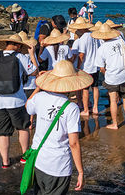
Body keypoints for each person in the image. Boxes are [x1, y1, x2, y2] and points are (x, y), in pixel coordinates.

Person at [26, 60, 91, 194]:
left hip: (39, 162)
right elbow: (73, 143)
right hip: (59, 166)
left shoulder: (40, 97)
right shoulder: (71, 108)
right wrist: (80, 171)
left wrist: (39, 87)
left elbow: (28, 106)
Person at [0, 34, 38, 168]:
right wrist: (32, 55)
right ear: (18, 46)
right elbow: (34, 71)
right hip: (17, 100)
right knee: (23, 128)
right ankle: (25, 157)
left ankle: (5, 162)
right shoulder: (19, 57)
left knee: (3, 133)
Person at [93, 23, 125, 129]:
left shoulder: (101, 48)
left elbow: (101, 67)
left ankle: (115, 124)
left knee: (113, 100)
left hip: (112, 77)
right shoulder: (121, 41)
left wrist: (106, 74)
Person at [69, 17, 100, 116]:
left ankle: (86, 110)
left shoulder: (83, 38)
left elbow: (82, 55)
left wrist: (78, 67)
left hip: (87, 67)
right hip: (95, 65)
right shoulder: (94, 35)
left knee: (85, 89)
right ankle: (95, 107)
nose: (77, 31)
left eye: (78, 28)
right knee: (95, 87)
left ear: (81, 28)